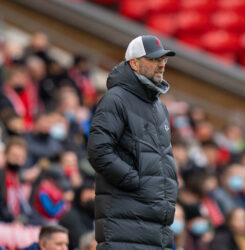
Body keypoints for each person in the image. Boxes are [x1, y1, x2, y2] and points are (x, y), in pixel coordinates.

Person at [87, 35, 177, 249]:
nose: (161, 64)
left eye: (163, 59)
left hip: (156, 225)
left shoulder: (159, 106)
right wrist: (137, 183)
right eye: (154, 59)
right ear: (134, 63)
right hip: (125, 222)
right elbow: (99, 152)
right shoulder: (115, 99)